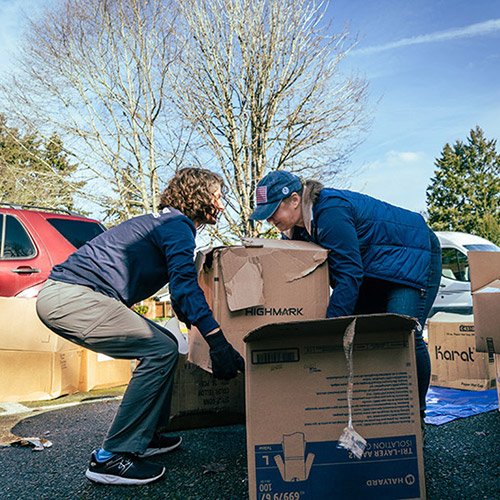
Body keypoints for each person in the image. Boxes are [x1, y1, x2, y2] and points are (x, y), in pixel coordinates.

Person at [36, 167, 244, 486]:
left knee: (164, 343)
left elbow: (179, 292)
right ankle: (112, 457)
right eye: (217, 194)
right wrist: (217, 342)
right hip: (71, 296)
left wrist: (193, 323)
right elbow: (185, 289)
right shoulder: (177, 224)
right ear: (200, 195)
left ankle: (142, 436)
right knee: (160, 349)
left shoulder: (167, 222)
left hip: (72, 294)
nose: (221, 202)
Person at [249, 170, 441, 419]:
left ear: (295, 200)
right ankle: (376, 407)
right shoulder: (299, 229)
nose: (270, 220)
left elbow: (349, 275)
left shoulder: (330, 212)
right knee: (362, 331)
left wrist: (329, 328)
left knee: (403, 333)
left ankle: (416, 417)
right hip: (377, 267)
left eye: (273, 211)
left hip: (414, 254)